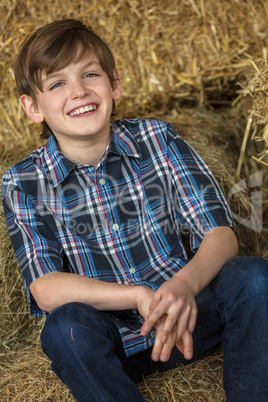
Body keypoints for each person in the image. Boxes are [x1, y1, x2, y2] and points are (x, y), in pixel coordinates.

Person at [2, 18, 268, 402]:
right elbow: (45, 287)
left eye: (89, 75)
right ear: (32, 107)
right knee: (64, 328)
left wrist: (182, 286)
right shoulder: (22, 182)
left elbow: (220, 234)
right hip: (115, 345)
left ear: (115, 84)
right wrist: (137, 296)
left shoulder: (157, 139)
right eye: (57, 83)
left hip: (190, 314)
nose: (78, 91)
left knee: (254, 277)